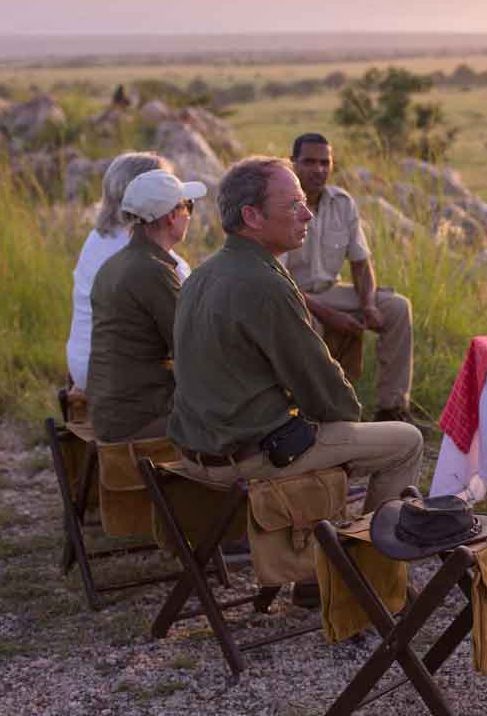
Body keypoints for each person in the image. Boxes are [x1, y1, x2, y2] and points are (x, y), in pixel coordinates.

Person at [169, 155, 423, 513]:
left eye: (304, 203)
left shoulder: (202, 274)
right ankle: (372, 559)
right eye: (293, 205)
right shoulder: (265, 284)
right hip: (246, 459)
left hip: (198, 451)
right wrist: (349, 421)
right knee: (406, 442)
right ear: (252, 217)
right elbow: (326, 393)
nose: (308, 214)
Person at [283, 133, 416, 424]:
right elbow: (278, 278)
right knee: (311, 324)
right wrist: (329, 315)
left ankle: (391, 408)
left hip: (332, 291)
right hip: (292, 296)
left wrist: (368, 304)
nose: (318, 169)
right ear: (292, 163)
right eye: (308, 162)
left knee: (396, 307)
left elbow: (360, 261)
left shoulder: (342, 203)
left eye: (324, 162)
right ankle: (317, 416)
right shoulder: (282, 206)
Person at [86, 170, 203, 442]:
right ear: (172, 216)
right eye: (189, 207)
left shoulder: (113, 265)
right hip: (139, 418)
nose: (189, 215)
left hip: (112, 412)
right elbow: (193, 350)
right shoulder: (153, 270)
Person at [66, 152, 191, 391]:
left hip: (84, 365)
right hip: (118, 379)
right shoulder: (143, 253)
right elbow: (187, 327)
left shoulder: (98, 238)